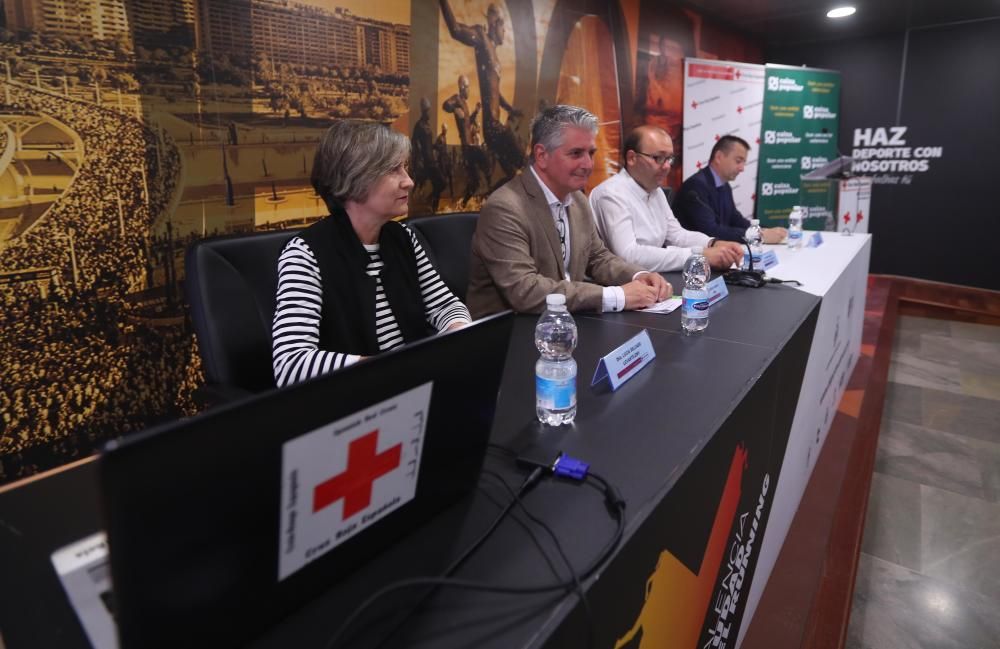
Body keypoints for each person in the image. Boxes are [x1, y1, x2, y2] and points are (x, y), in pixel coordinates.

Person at [271, 120, 471, 388]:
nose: (409, 182)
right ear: (355, 178)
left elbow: (445, 306)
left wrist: (459, 331)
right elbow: (291, 365)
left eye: (405, 167)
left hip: (412, 392)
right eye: (393, 169)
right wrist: (385, 371)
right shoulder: (305, 254)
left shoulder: (404, 239)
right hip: (352, 407)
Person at [466, 105, 672, 318]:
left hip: (564, 322)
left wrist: (639, 275)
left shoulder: (578, 200)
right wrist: (617, 296)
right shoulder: (505, 207)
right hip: (510, 335)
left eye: (591, 153)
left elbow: (598, 258)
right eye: (576, 153)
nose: (588, 164)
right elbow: (525, 291)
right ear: (541, 155)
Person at [590, 125, 743, 272]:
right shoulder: (611, 194)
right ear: (631, 158)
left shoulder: (656, 192)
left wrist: (713, 243)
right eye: (658, 158)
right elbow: (629, 255)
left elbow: (677, 235)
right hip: (622, 287)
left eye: (669, 158)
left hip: (652, 278)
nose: (666, 167)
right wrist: (698, 255)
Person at [439, 0, 524, 189]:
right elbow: (455, 29)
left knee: (514, 178)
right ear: (496, 23)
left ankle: (494, 201)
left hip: (494, 126)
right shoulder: (481, 37)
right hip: (492, 126)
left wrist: (510, 109)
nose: (505, 33)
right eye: (503, 28)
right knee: (525, 164)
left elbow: (495, 92)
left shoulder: (494, 54)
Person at [674, 135, 788, 244]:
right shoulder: (695, 186)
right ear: (719, 157)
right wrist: (757, 235)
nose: (742, 168)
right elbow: (710, 231)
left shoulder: (724, 185)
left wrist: (767, 231)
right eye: (738, 161)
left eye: (744, 163)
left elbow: (735, 219)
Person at [443, 75, 491, 204]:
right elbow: (445, 105)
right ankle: (488, 195)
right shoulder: (457, 99)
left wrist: (476, 111)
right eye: (468, 87)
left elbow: (468, 124)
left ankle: (463, 204)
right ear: (462, 87)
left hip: (469, 148)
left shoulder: (464, 103)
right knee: (486, 161)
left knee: (474, 182)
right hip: (468, 147)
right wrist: (454, 109)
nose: (469, 90)